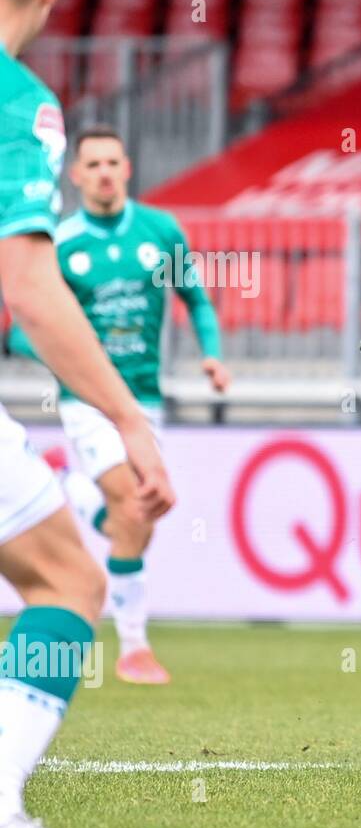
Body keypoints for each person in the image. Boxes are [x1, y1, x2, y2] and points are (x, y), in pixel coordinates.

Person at [0, 0, 174, 828]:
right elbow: (28, 284)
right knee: (67, 578)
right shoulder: (17, 101)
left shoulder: (155, 234)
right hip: (96, 399)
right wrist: (130, 419)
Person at [10, 123, 229, 685]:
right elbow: (21, 330)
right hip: (86, 400)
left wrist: (213, 356)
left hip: (144, 400)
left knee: (141, 517)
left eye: (113, 162)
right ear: (77, 174)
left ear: (126, 168)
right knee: (137, 504)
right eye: (94, 164)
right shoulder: (59, 244)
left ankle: (77, 496)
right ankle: (134, 648)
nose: (105, 172)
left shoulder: (160, 231)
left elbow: (197, 300)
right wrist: (65, 357)